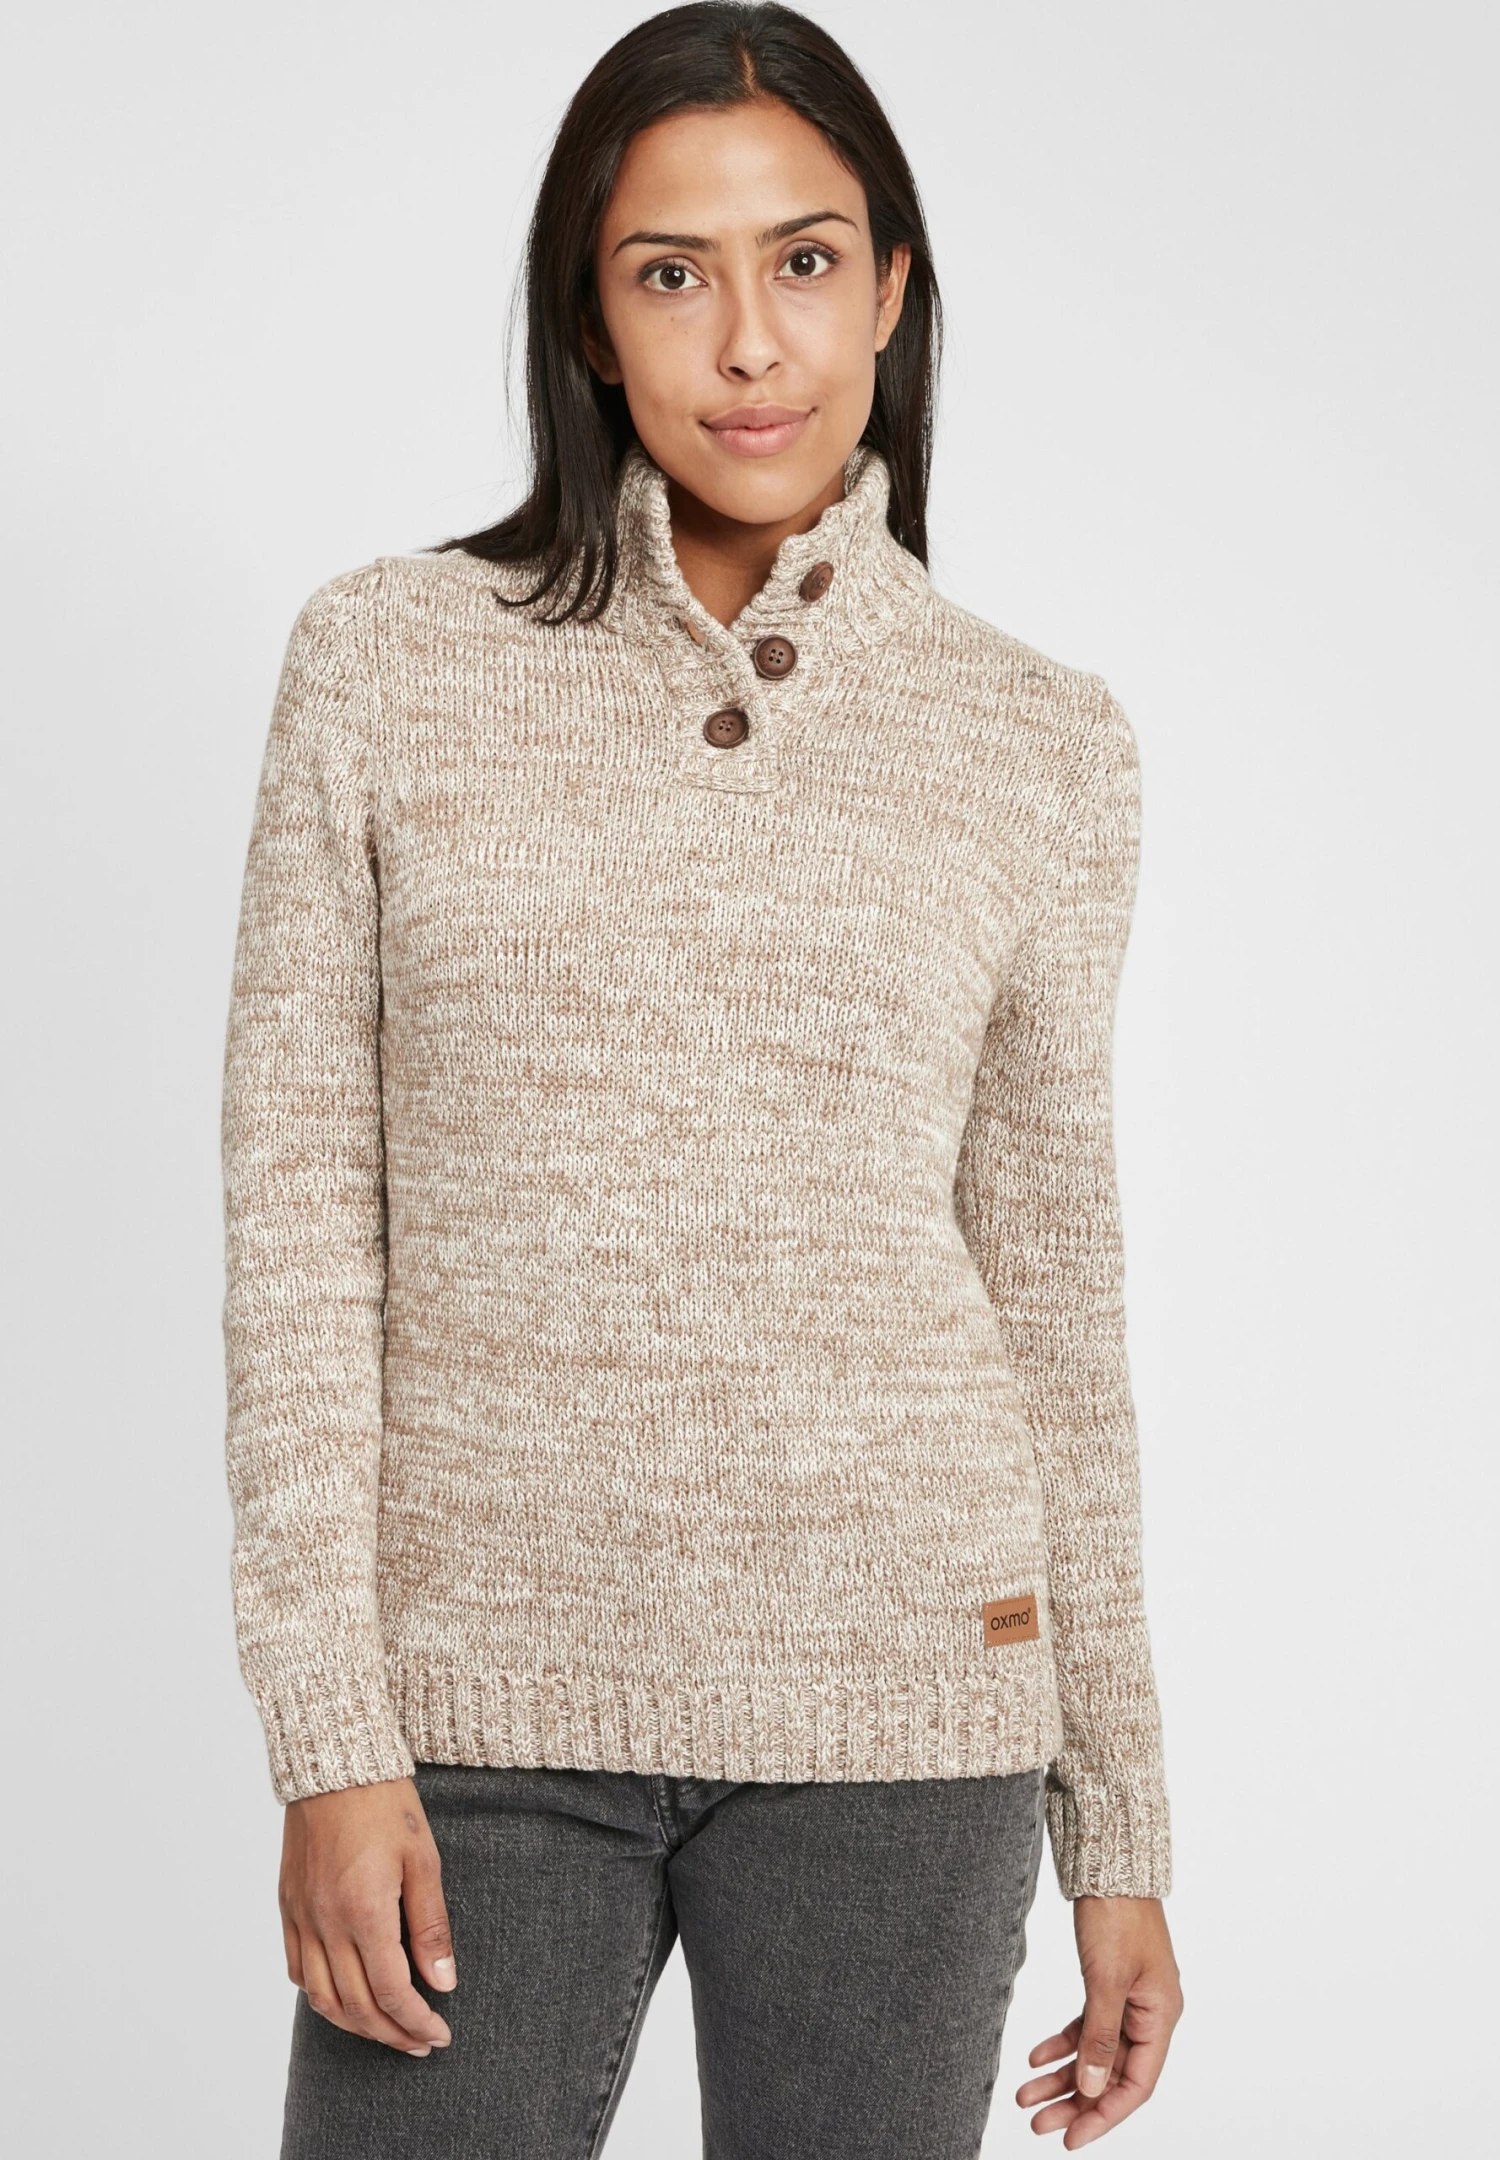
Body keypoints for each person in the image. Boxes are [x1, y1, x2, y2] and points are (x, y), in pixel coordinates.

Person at [219, 5, 1184, 2154]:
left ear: (893, 289)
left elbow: (1054, 1299)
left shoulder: (1041, 742)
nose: (752, 343)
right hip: (477, 1704)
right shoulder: (386, 665)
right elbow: (298, 1226)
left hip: (907, 1697)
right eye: (673, 272)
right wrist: (329, 1735)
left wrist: (1118, 1825)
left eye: (807, 261)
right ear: (590, 314)